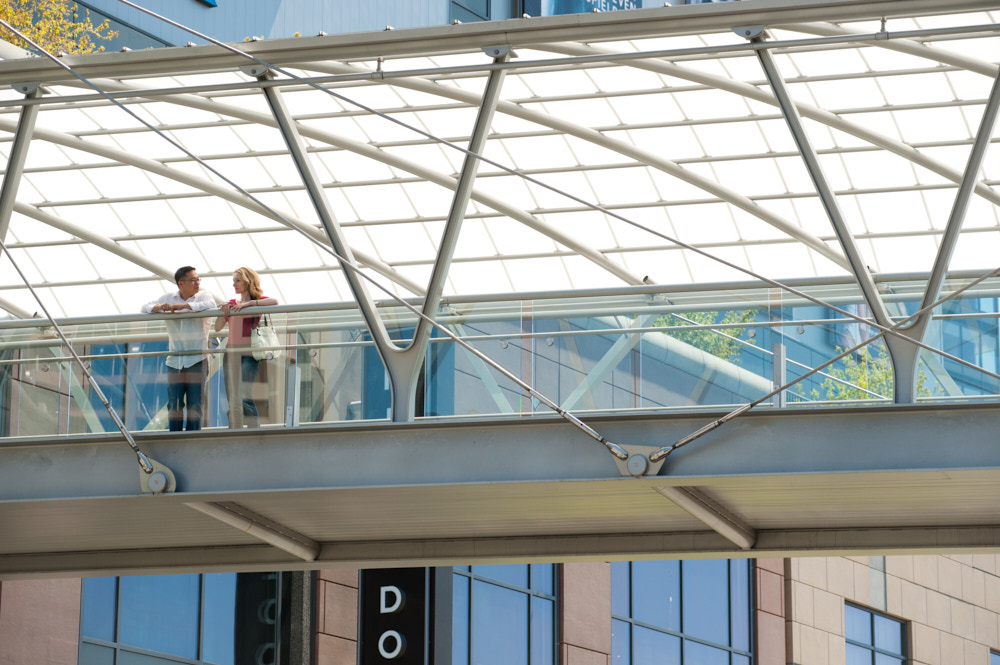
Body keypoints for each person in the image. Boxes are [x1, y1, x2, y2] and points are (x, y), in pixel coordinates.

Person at [141, 266, 218, 431]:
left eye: (198, 279)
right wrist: (160, 308)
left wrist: (183, 307)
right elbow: (145, 307)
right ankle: (174, 436)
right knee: (174, 404)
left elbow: (211, 304)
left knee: (195, 404)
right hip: (175, 360)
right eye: (193, 280)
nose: (197, 283)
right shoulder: (168, 297)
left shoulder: (204, 296)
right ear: (181, 283)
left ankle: (192, 438)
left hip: (198, 358)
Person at [213, 267, 278, 429]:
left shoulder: (257, 301)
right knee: (233, 397)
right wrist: (223, 312)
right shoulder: (232, 304)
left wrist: (250, 304)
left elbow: (274, 301)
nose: (234, 284)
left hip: (250, 353)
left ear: (247, 281)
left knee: (244, 395)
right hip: (231, 353)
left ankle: (254, 432)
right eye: (233, 280)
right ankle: (235, 431)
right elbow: (217, 328)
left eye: (237, 280)